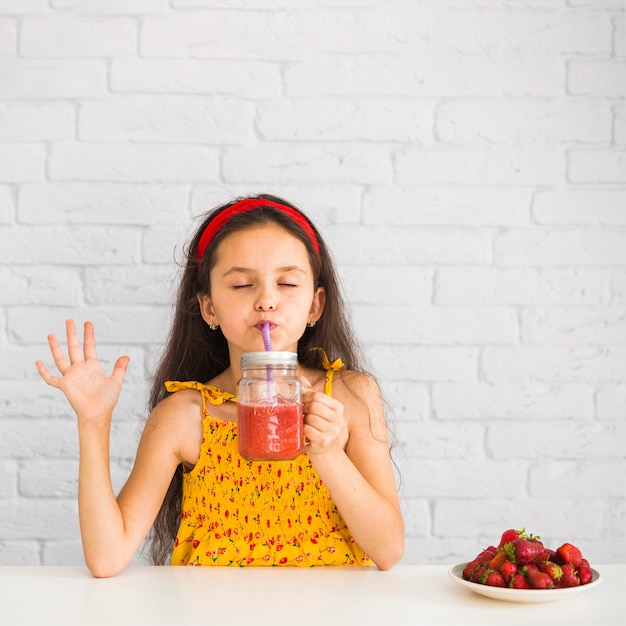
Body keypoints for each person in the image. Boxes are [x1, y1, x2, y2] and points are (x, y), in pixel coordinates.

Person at [36, 195, 404, 577]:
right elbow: (106, 557)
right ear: (208, 307)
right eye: (243, 285)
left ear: (316, 304)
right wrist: (93, 422)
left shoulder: (351, 396)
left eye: (288, 282)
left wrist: (328, 453)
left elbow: (389, 550)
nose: (266, 300)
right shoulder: (184, 416)